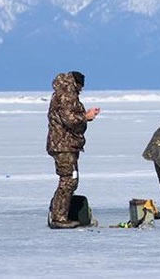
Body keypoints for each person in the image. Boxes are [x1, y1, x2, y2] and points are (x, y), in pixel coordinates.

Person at [46, 71, 101, 229]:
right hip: (63, 145)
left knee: (71, 180)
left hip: (67, 144)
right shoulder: (66, 95)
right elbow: (69, 119)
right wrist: (86, 117)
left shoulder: (65, 93)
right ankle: (58, 217)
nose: (81, 91)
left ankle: (60, 212)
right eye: (81, 87)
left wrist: (85, 115)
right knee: (68, 180)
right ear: (76, 84)